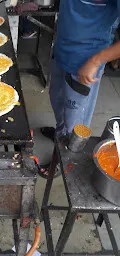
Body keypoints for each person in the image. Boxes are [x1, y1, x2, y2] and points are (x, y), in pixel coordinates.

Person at [39, 0, 120, 178]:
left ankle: (64, 160)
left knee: (75, 125)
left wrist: (96, 60)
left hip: (85, 63)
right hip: (62, 51)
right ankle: (60, 137)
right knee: (58, 102)